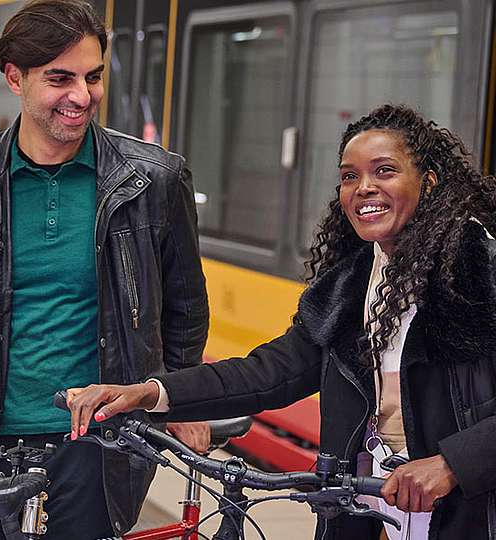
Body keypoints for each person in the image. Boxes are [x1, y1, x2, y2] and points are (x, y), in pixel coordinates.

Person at [65, 104, 496, 540]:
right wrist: (149, 392)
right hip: (363, 509)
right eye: (350, 176)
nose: (364, 188)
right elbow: (267, 374)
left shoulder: (481, 271)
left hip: (465, 516)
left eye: (384, 171)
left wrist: (452, 465)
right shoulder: (350, 286)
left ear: (429, 181)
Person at [0, 1, 210, 538]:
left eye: (92, 77)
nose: (81, 96)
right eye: (59, 78)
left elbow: (184, 309)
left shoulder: (155, 180)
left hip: (99, 445)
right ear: (14, 78)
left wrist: (178, 396)